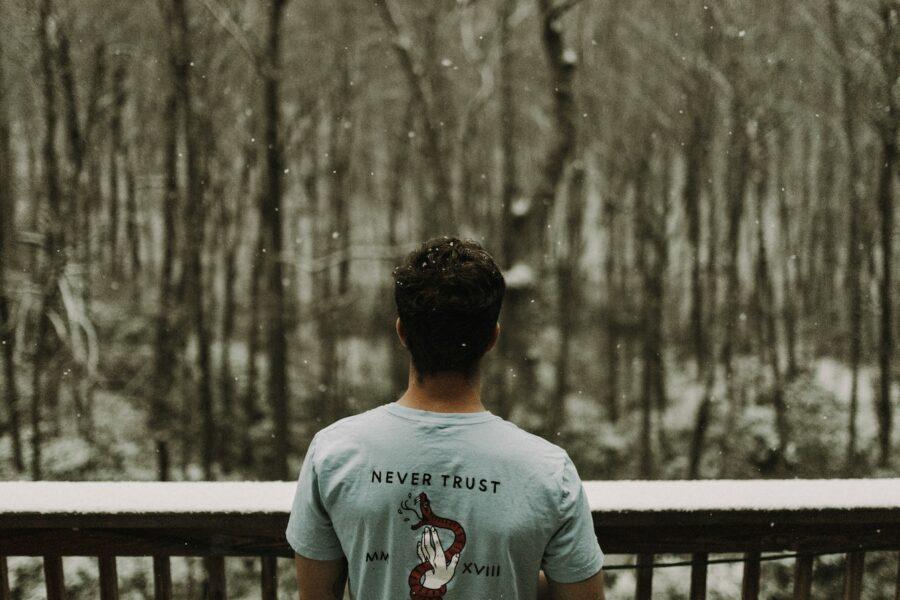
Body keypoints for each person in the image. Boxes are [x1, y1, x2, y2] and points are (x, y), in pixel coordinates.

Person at [286, 236, 605, 600]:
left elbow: (316, 593)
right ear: (491, 338)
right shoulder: (548, 472)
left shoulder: (334, 453)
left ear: (402, 332)